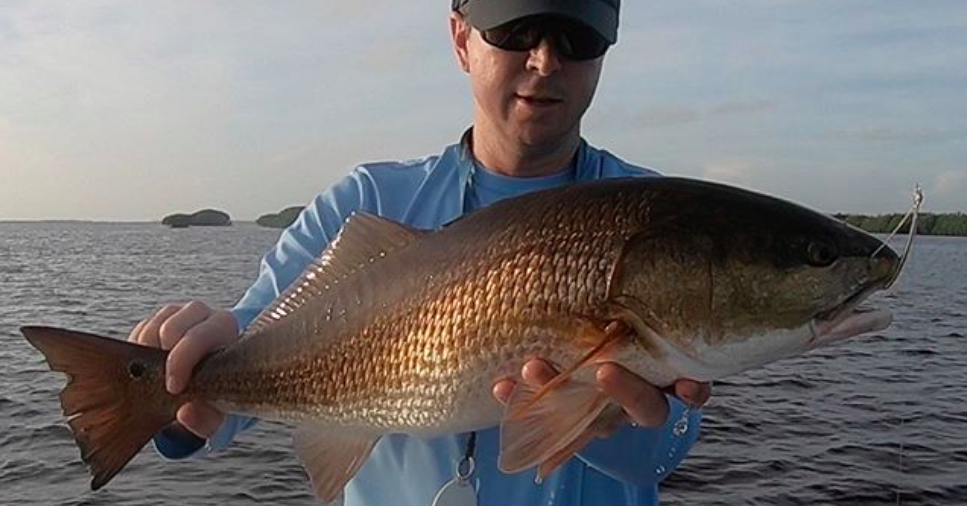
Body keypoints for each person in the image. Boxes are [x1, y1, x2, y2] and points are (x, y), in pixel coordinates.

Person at [129, 0, 711, 504]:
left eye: (577, 38)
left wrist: (612, 421)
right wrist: (172, 382)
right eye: (514, 31)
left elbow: (663, 452)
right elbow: (251, 348)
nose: (544, 61)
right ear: (461, 39)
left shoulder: (657, 223)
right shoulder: (368, 200)